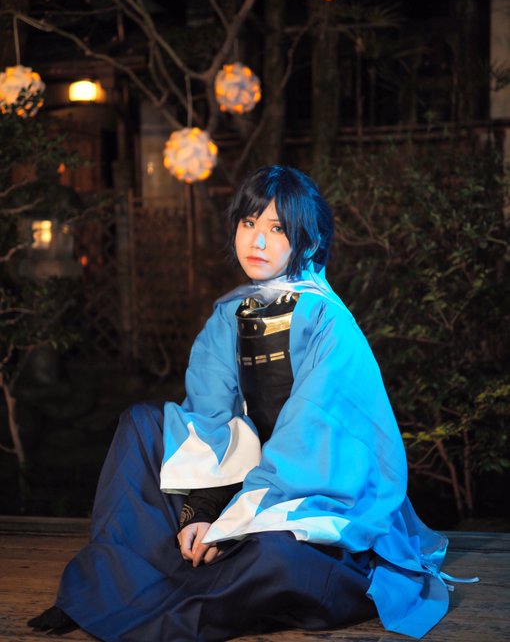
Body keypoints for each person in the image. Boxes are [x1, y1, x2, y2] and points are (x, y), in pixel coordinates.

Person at [28, 165, 460, 641]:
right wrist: (202, 511)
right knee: (141, 423)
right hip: (248, 481)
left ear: (310, 242)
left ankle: (176, 598)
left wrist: (231, 523)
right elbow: (209, 419)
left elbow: (309, 441)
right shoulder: (230, 315)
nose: (257, 240)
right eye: (249, 222)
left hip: (315, 495)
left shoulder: (329, 325)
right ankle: (110, 585)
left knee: (277, 557)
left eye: (277, 229)